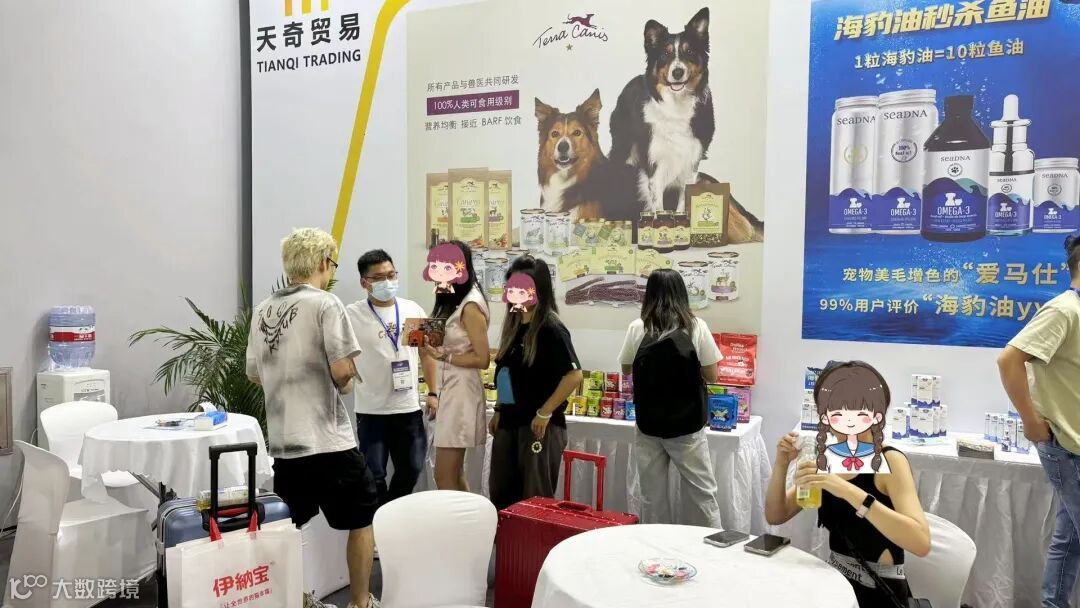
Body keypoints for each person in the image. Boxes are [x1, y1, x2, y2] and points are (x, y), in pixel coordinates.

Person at [246, 228, 378, 608]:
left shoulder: (263, 309)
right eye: (332, 263)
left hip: (286, 441)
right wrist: (347, 379)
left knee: (290, 524)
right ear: (323, 262)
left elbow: (254, 373)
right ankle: (360, 602)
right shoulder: (326, 303)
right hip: (327, 438)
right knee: (361, 517)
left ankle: (296, 598)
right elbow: (342, 369)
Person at [765, 361, 930, 608]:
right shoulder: (828, 458)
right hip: (835, 583)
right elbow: (776, 514)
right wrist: (781, 464)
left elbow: (920, 541)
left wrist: (847, 490)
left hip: (879, 591)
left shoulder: (890, 461)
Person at [998, 234, 1080, 608]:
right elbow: (1009, 360)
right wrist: (1030, 421)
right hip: (1067, 446)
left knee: (1069, 538)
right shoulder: (1063, 311)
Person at [618, 268, 723, 528]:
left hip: (649, 423)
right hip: (687, 424)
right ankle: (706, 542)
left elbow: (626, 369)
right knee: (701, 492)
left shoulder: (638, 327)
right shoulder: (696, 326)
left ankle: (656, 545)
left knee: (652, 496)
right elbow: (712, 375)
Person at [346, 249, 437, 507]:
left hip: (407, 408)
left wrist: (433, 392)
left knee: (412, 468)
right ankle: (379, 521)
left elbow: (427, 354)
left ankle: (388, 512)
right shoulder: (351, 315)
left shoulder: (412, 309)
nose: (387, 281)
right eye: (379, 277)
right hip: (371, 410)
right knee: (374, 476)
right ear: (364, 282)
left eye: (391, 274)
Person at [489, 257, 582, 510]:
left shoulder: (551, 327)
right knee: (501, 495)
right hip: (509, 422)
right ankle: (505, 538)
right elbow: (505, 373)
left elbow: (574, 375)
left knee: (534, 501)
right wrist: (499, 409)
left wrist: (545, 412)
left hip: (539, 426)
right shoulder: (514, 325)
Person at [421, 240, 490, 491]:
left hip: (461, 391)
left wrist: (444, 357)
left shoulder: (471, 305)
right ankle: (466, 515)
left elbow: (483, 359)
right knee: (452, 473)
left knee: (444, 475)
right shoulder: (451, 299)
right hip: (448, 388)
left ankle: (460, 515)